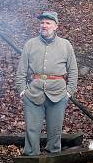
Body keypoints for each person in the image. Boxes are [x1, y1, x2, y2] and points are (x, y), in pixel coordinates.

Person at [15, 11, 78, 155]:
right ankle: (31, 160)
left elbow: (73, 71)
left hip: (58, 93)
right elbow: (21, 70)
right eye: (42, 23)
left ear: (56, 26)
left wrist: (69, 92)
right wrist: (22, 90)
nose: (44, 26)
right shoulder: (30, 44)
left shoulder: (65, 45)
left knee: (55, 130)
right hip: (33, 93)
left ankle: (52, 160)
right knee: (31, 129)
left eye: (48, 23)